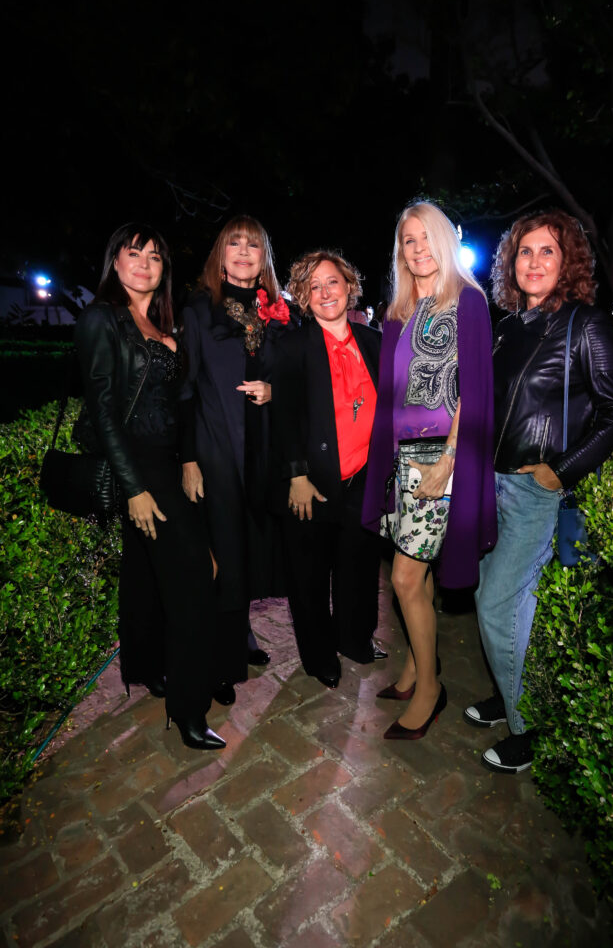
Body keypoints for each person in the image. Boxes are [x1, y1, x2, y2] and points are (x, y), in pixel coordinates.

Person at [464, 209, 613, 774]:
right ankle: (509, 694)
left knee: (497, 606)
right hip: (492, 485)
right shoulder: (509, 326)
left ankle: (529, 730)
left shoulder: (584, 325)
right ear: (510, 263)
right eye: (525, 251)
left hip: (535, 492)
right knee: (498, 602)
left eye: (548, 251)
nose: (534, 262)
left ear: (568, 263)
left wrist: (559, 472)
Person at [74, 223, 225, 751]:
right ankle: (188, 708)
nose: (144, 263)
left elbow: (179, 404)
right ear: (114, 261)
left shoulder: (164, 323)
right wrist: (134, 487)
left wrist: (189, 459)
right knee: (196, 577)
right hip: (137, 467)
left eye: (155, 256)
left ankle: (147, 667)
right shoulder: (101, 319)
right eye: (133, 253)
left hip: (166, 463)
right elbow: (103, 412)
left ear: (164, 270)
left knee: (145, 574)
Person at [362, 201, 497, 740]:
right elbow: (391, 394)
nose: (417, 249)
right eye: (408, 240)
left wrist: (449, 461)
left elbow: (474, 392)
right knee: (411, 579)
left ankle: (430, 689)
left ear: (444, 240)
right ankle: (417, 666)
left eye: (425, 237)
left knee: (405, 576)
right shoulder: (398, 310)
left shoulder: (468, 302)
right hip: (400, 459)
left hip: (440, 458)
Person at [180, 215, 293, 700]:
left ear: (264, 257)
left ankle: (241, 634)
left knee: (247, 550)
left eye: (253, 245)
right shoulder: (199, 309)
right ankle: (220, 663)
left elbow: (296, 376)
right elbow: (184, 389)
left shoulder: (278, 313)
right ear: (220, 255)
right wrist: (188, 460)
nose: (244, 252)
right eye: (235, 244)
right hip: (217, 448)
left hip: (262, 451)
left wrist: (274, 390)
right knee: (223, 554)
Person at [272, 250, 384, 689]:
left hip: (365, 477)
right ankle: (319, 655)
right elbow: (284, 417)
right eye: (313, 286)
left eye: (332, 282)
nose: (324, 292)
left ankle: (354, 639)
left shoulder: (373, 341)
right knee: (310, 576)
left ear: (349, 286)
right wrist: (296, 475)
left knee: (359, 567)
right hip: (312, 481)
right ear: (303, 297)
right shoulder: (292, 346)